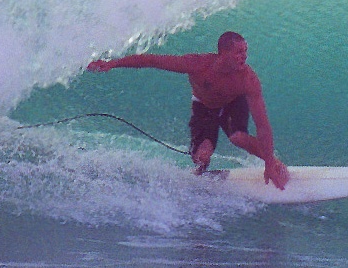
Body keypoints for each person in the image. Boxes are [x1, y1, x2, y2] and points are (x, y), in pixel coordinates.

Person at [86, 31, 290, 190]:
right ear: (223, 53)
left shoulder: (247, 79)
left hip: (231, 104)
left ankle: (275, 164)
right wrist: (113, 63)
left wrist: (269, 162)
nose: (244, 57)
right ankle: (201, 171)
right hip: (204, 107)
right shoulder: (197, 64)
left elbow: (263, 125)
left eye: (245, 51)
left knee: (238, 137)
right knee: (202, 155)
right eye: (238, 52)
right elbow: (152, 61)